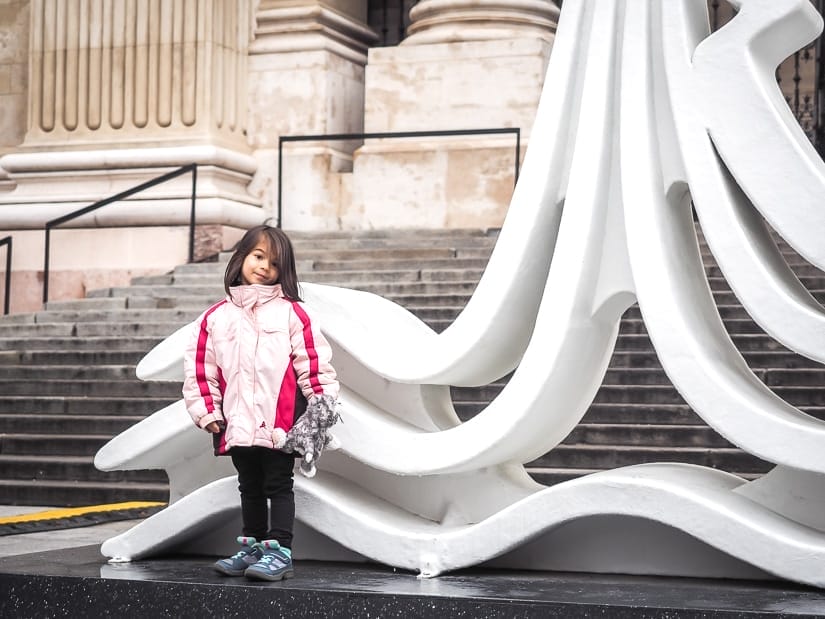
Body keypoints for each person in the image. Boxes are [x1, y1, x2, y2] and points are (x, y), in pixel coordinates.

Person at [182, 224, 339, 582]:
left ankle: (279, 550)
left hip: (280, 422)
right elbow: (199, 369)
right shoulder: (214, 318)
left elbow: (311, 361)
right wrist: (207, 411)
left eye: (275, 262)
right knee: (248, 484)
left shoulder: (293, 313)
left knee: (278, 484)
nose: (265, 266)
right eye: (258, 256)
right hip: (235, 420)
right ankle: (252, 546)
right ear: (240, 259)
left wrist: (321, 403)